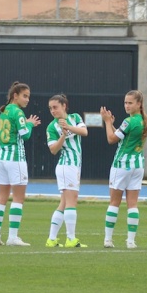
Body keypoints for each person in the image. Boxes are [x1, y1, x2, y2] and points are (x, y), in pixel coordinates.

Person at [0, 81, 41, 246]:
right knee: (18, 198)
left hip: (2, 157)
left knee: (2, 197)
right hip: (15, 158)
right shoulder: (17, 112)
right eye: (25, 96)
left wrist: (25, 123)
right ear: (15, 96)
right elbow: (25, 135)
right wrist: (30, 124)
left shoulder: (4, 110)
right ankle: (12, 237)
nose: (27, 99)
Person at [100, 90, 147, 249]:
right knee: (132, 204)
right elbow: (124, 137)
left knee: (114, 202)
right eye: (125, 102)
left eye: (130, 103)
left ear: (138, 104)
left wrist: (107, 122)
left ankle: (108, 239)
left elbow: (111, 139)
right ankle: (130, 241)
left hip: (121, 164)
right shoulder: (144, 120)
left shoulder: (129, 121)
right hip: (137, 165)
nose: (127, 106)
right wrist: (113, 124)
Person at [45, 94, 88, 248]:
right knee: (71, 201)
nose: (52, 111)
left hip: (74, 165)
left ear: (64, 106)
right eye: (50, 108)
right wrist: (63, 135)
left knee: (63, 203)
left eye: (55, 107)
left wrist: (68, 127)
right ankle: (71, 239)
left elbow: (84, 132)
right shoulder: (51, 127)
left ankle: (51, 239)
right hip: (66, 165)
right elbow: (53, 150)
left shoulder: (75, 117)